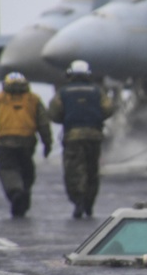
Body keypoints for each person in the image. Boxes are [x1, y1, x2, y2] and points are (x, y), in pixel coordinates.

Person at [0, 72, 53, 218]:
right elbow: (43, 122)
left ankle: (16, 193)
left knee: (8, 170)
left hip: (5, 142)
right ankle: (22, 201)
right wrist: (47, 142)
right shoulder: (33, 99)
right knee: (27, 172)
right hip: (27, 142)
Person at [48, 60, 114, 219]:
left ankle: (78, 201)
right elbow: (108, 109)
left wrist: (68, 118)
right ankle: (89, 204)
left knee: (74, 171)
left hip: (73, 136)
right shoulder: (97, 91)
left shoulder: (63, 92)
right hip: (94, 135)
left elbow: (54, 113)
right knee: (92, 170)